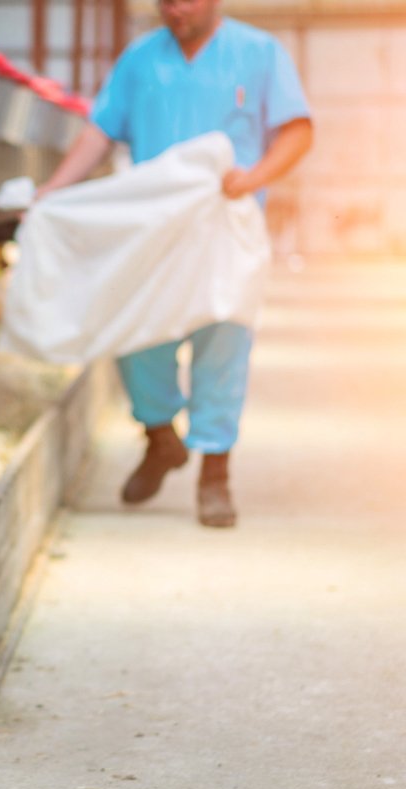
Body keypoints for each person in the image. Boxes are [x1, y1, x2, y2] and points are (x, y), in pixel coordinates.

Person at [35, 0, 313, 528]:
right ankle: (161, 436)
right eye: (166, 1)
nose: (176, 9)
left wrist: (254, 177)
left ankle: (215, 475)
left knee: (223, 340)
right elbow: (100, 131)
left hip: (227, 228)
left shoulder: (259, 53)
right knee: (134, 330)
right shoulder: (141, 58)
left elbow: (298, 130)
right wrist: (54, 189)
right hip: (155, 230)